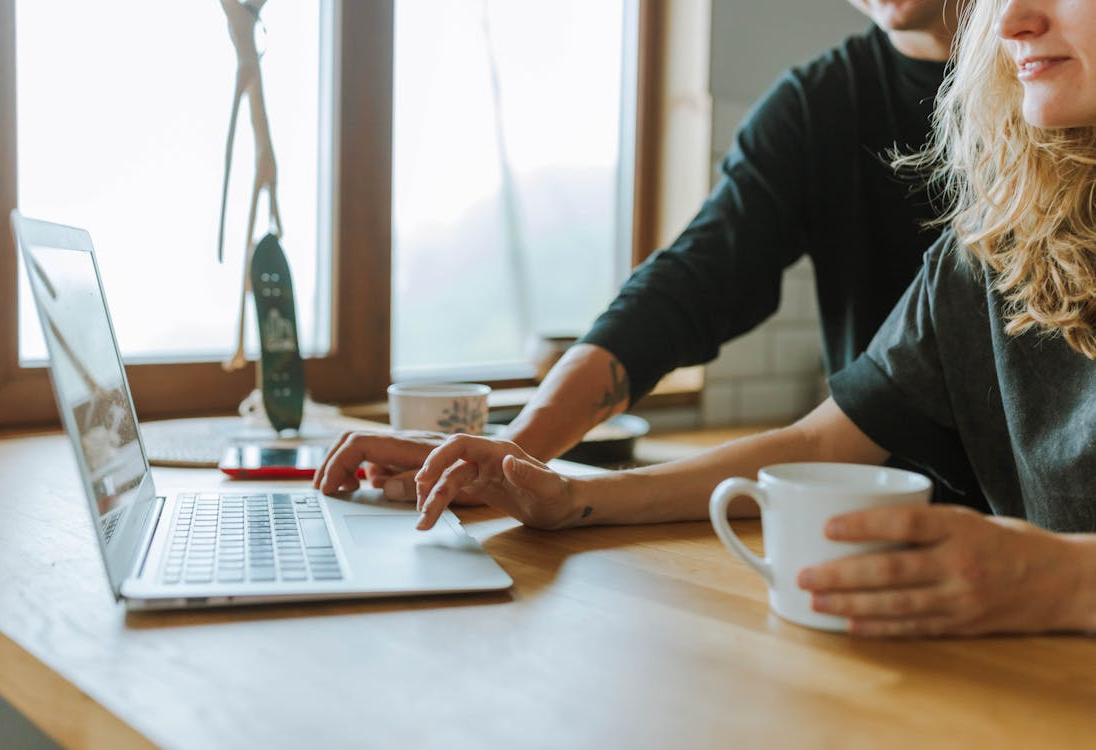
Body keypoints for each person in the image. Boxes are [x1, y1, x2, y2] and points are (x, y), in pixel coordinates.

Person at [317, 0, 1096, 638]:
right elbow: (808, 429)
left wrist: (1059, 580)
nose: (1013, 22)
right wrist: (539, 477)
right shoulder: (998, 239)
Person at [321, 0, 972, 504]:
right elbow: (692, 283)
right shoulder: (819, 105)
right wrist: (512, 451)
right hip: (870, 511)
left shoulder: (1059, 88)